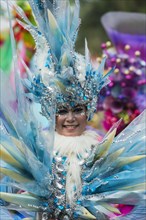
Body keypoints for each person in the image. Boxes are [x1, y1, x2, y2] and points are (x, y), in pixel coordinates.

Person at [0, 1, 145, 220]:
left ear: (88, 110)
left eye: (77, 109)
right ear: (50, 112)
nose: (70, 118)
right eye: (61, 111)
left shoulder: (103, 149)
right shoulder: (36, 149)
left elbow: (134, 199)